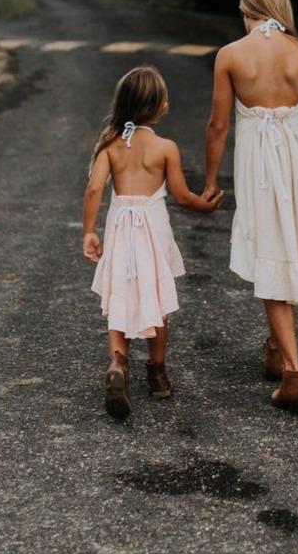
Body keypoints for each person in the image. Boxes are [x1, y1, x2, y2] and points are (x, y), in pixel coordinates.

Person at [203, 0, 298, 412]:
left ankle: (294, 373)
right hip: (297, 158)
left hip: (257, 163)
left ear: (248, 10)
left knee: (271, 250)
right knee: (288, 244)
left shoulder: (231, 55)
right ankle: (275, 347)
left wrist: (210, 180)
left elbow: (218, 125)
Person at [83, 66, 223, 418]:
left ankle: (119, 365)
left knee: (120, 301)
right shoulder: (165, 148)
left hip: (120, 232)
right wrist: (205, 207)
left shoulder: (109, 146)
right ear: (158, 106)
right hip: (153, 234)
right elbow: (180, 195)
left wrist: (89, 230)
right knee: (156, 301)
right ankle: (157, 374)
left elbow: (94, 189)